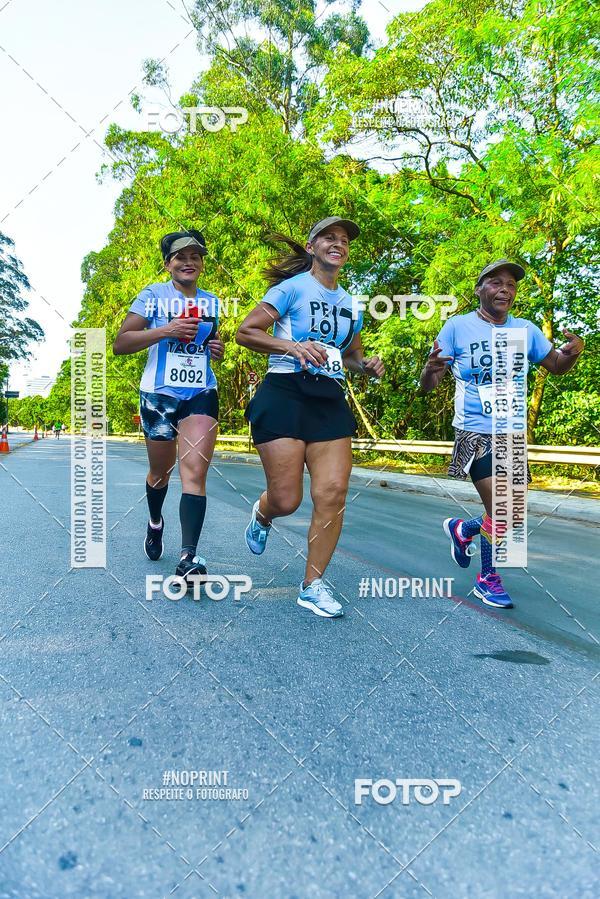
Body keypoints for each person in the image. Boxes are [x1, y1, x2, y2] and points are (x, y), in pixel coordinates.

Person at [236, 216, 384, 619]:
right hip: (283, 393)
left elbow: (350, 356)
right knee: (287, 499)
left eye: (343, 240)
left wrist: (365, 366)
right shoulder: (291, 289)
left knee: (333, 492)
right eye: (329, 237)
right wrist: (292, 347)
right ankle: (263, 513)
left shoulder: (352, 304)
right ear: (311, 246)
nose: (338, 244)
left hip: (327, 399)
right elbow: (246, 332)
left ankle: (312, 584)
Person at [420, 259, 585, 609]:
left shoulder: (524, 330)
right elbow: (429, 386)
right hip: (474, 431)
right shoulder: (457, 327)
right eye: (495, 283)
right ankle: (487, 578)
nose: (504, 289)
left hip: (511, 432)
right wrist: (429, 371)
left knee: (510, 512)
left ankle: (464, 530)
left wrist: (572, 354)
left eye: (510, 284)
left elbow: (555, 366)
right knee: (503, 506)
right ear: (479, 289)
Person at [113, 229, 224, 585]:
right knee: (161, 473)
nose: (189, 262)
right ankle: (155, 520)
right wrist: (166, 330)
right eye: (181, 257)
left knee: (194, 473)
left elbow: (207, 341)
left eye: (195, 256)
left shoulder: (213, 302)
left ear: (202, 264)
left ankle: (188, 557)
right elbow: (121, 343)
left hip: (200, 392)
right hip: (159, 396)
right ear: (168, 264)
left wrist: (215, 349)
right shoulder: (152, 296)